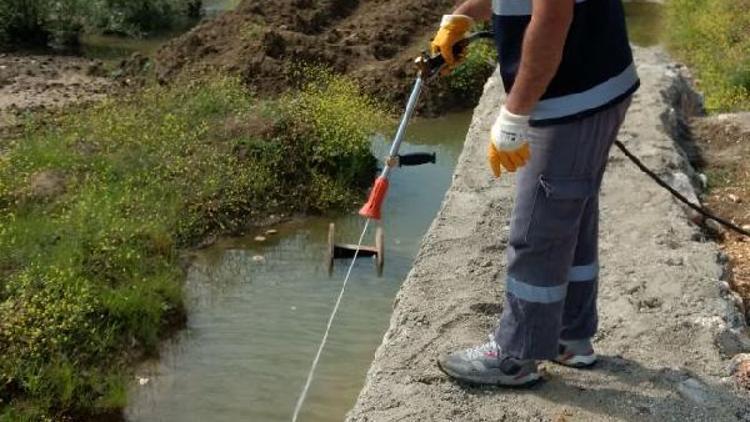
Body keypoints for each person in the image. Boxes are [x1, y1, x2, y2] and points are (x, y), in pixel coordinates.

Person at [431, 0, 639, 386]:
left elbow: (552, 19)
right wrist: (465, 14)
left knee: (537, 229)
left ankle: (516, 354)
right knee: (569, 214)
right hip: (591, 84)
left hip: (571, 95)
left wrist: (514, 115)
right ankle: (569, 336)